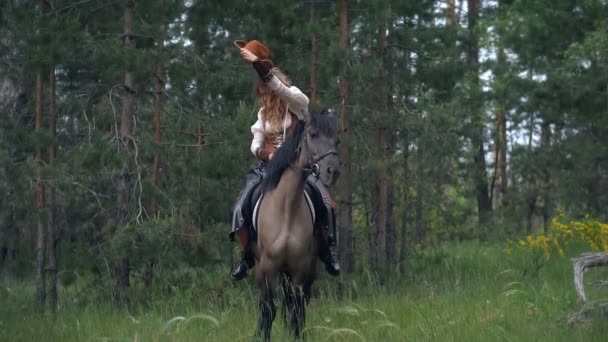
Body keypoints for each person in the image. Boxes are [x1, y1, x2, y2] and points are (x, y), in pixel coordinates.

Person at [229, 39, 340, 280]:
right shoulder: (262, 113)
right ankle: (246, 254)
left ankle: (329, 251)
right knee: (240, 205)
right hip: (268, 168)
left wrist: (259, 65)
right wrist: (265, 153)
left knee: (327, 203)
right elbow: (255, 143)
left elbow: (281, 90)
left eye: (268, 89)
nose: (266, 94)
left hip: (299, 167)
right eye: (263, 91)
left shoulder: (298, 102)